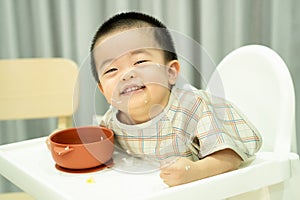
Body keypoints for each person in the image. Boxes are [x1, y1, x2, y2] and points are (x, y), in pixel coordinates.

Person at [90, 11, 262, 187]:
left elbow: (231, 157)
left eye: (140, 62)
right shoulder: (112, 122)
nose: (127, 75)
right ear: (103, 90)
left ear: (170, 72)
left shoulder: (192, 109)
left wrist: (194, 172)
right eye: (111, 70)